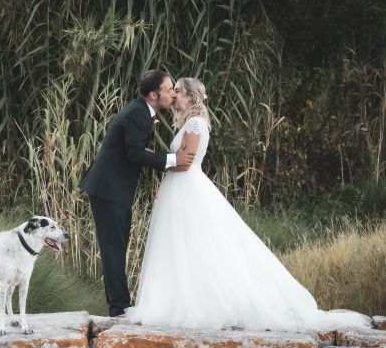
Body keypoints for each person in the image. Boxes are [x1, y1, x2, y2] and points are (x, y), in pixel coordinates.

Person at [125, 77, 369, 331]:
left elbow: (186, 161)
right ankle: (174, 299)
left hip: (187, 186)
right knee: (180, 243)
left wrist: (158, 159)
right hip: (178, 188)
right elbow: (180, 157)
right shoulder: (189, 122)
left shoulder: (196, 123)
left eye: (177, 91)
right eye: (172, 91)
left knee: (195, 242)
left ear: (190, 96)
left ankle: (199, 304)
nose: (174, 96)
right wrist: (164, 159)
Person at [79, 70, 196, 317]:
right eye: (168, 90)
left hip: (114, 189)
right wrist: (173, 159)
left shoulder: (143, 112)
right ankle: (118, 309)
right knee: (114, 248)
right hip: (108, 189)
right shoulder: (137, 113)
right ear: (154, 95)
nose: (173, 94)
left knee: (117, 246)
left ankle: (120, 305)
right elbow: (135, 154)